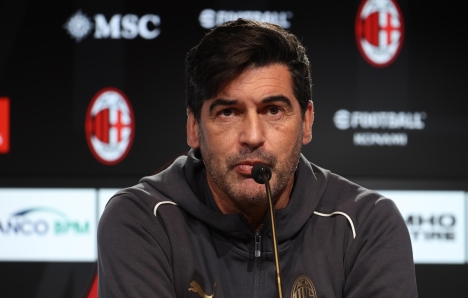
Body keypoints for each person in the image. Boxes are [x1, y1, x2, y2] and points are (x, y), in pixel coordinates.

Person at [98, 19, 418, 297]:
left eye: (273, 110)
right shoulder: (142, 220)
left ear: (306, 122)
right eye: (228, 112)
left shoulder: (366, 225)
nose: (252, 135)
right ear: (194, 128)